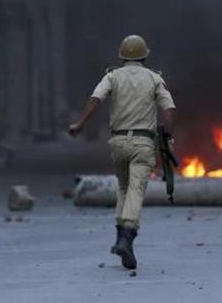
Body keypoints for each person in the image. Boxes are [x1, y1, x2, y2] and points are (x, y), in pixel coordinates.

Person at [68, 34, 176, 270]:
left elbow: (96, 99)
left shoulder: (112, 76)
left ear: (122, 56)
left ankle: (120, 237)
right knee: (136, 189)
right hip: (143, 142)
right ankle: (127, 235)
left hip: (118, 142)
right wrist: (168, 136)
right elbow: (168, 109)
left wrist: (80, 124)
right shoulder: (154, 78)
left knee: (124, 188)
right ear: (145, 56)